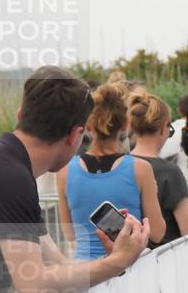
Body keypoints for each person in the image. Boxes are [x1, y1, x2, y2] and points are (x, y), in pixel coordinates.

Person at [0, 66, 150, 293]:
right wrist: (117, 262)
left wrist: (113, 261)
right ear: (75, 135)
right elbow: (35, 286)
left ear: (20, 116)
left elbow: (58, 263)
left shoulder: (4, 165)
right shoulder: (8, 176)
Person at [56, 82, 166, 259]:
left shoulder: (65, 171)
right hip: (128, 269)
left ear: (89, 125)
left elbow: (69, 233)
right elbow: (157, 233)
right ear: (125, 124)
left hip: (85, 272)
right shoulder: (140, 168)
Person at [129, 92, 188, 246]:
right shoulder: (169, 172)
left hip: (131, 259)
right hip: (166, 259)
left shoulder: (119, 164)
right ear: (163, 128)